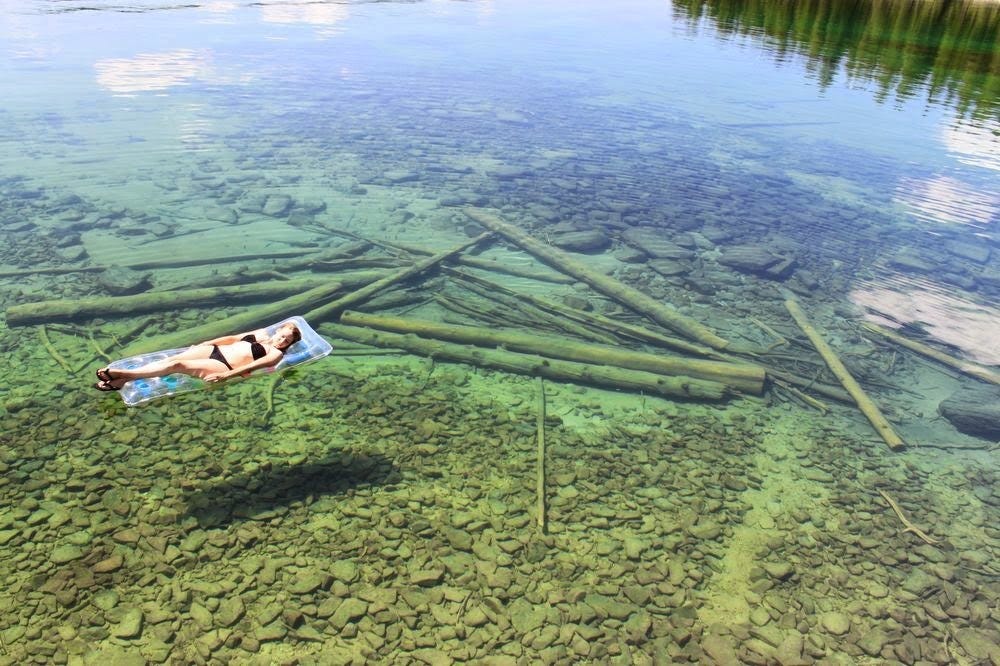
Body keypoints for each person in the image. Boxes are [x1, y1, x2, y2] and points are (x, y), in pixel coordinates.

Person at [94, 322, 302, 391]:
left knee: (177, 364)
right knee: (169, 360)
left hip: (225, 366)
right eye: (281, 336)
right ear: (278, 331)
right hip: (214, 351)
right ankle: (121, 381)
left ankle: (124, 375)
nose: (281, 341)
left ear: (289, 344)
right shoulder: (262, 334)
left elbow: (250, 368)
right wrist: (208, 343)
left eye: (286, 341)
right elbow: (232, 338)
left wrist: (225, 377)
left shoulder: (275, 354)